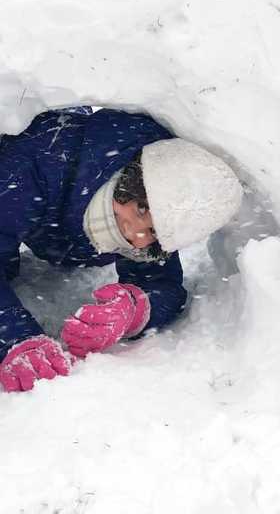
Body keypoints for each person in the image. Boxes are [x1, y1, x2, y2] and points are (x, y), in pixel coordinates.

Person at [0, 107, 246, 393]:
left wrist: (132, 309)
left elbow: (162, 284)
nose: (134, 232)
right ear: (128, 181)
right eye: (141, 209)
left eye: (153, 231)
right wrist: (14, 337)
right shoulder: (34, 168)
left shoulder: (157, 221)